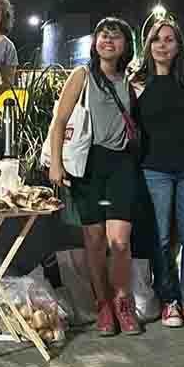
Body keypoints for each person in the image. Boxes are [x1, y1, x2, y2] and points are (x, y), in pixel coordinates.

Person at [49, 17, 143, 336]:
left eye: (116, 37)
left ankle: (123, 302)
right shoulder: (82, 75)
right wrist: (56, 163)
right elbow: (59, 121)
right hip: (88, 164)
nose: (108, 40)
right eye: (103, 35)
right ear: (95, 42)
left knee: (120, 242)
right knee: (94, 240)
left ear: (126, 46)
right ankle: (103, 304)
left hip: (121, 165)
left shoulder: (129, 81)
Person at [131, 18, 184, 329]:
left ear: (178, 46)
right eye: (157, 39)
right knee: (162, 239)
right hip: (154, 171)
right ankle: (169, 302)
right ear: (148, 45)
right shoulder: (136, 84)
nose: (162, 45)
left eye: (169, 39)